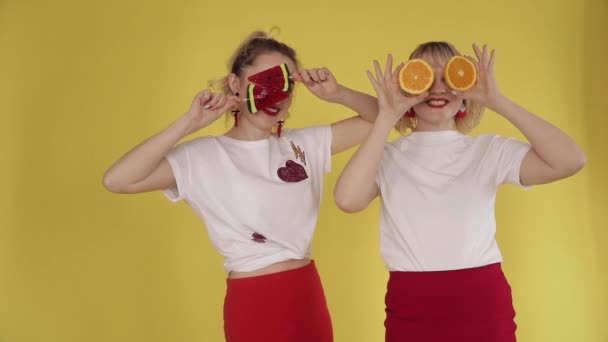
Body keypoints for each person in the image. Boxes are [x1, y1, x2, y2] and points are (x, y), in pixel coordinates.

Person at [102, 30, 377, 342]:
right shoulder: (203, 156)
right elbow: (118, 179)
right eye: (265, 82)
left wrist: (338, 94)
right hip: (253, 301)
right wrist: (188, 124)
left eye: (285, 86)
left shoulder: (304, 145)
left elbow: (384, 118)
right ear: (236, 84)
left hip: (306, 294)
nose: (277, 95)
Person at [334, 42, 586, 342]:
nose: (437, 89)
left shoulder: (489, 150)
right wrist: (388, 114)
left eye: (450, 78)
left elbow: (571, 160)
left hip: (482, 302)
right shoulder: (385, 155)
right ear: (407, 87)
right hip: (411, 303)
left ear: (465, 91)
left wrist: (497, 100)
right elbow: (347, 200)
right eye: (424, 77)